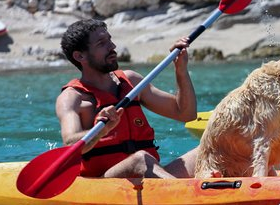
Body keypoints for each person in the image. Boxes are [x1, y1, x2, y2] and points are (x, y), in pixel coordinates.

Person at [56, 19, 198, 179]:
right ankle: (184, 195)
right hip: (104, 184)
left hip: (150, 176)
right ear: (80, 56)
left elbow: (186, 113)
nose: (112, 47)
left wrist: (180, 70)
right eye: (102, 43)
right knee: (139, 159)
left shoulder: (132, 81)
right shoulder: (72, 98)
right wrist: (102, 130)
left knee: (209, 148)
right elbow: (70, 145)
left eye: (110, 40)